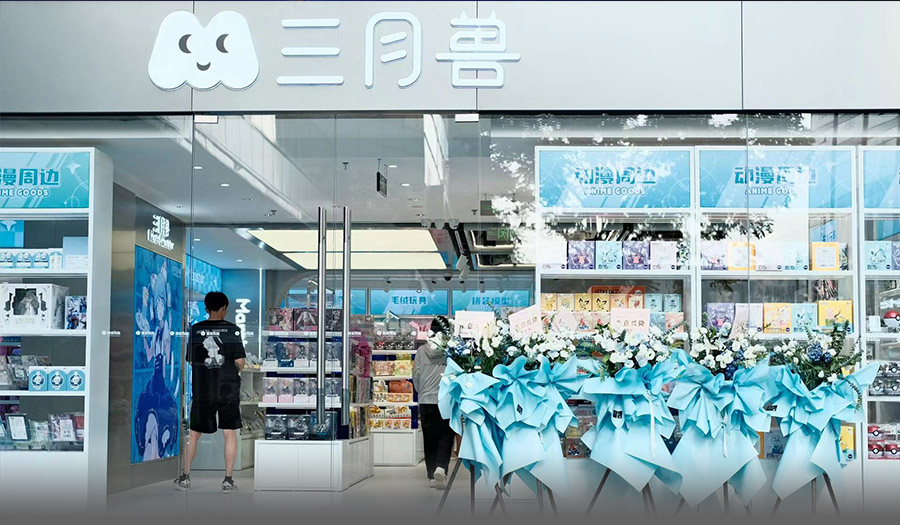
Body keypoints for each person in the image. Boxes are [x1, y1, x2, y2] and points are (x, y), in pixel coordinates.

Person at [174, 292, 246, 494]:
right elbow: (240, 361)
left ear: (206, 308)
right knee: (229, 432)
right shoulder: (232, 330)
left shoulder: (196, 330)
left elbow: (191, 360)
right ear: (224, 308)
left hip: (203, 388)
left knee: (194, 433)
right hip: (228, 388)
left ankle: (185, 477)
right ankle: (228, 480)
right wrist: (232, 369)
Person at [412, 315, 455, 489]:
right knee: (446, 434)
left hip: (426, 400)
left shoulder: (422, 351)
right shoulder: (451, 350)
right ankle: (441, 468)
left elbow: (416, 375)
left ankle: (431, 475)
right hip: (446, 398)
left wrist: (421, 392)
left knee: (429, 437)